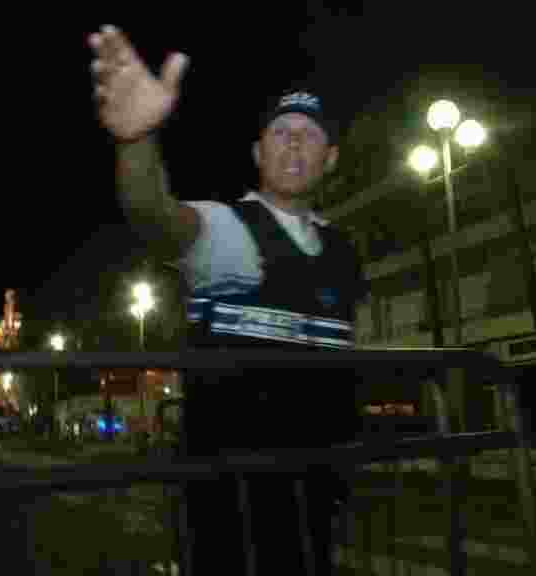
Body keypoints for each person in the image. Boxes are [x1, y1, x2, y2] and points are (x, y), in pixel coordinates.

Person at [88, 25, 365, 575]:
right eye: (280, 131)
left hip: (320, 490)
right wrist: (136, 139)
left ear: (330, 158)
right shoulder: (226, 230)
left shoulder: (342, 250)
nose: (292, 141)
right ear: (257, 151)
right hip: (230, 499)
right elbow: (153, 214)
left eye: (308, 134)